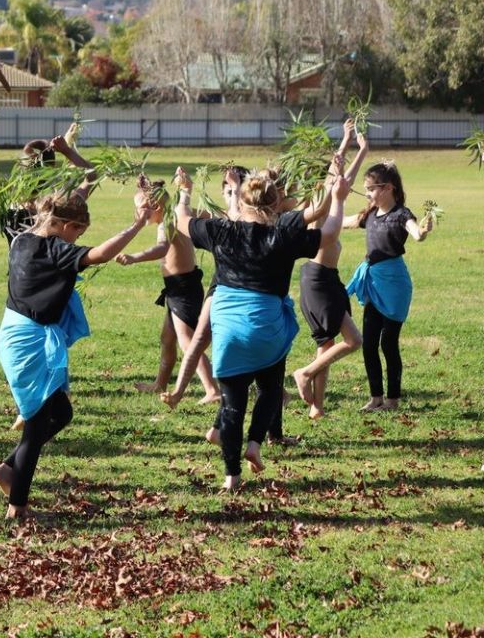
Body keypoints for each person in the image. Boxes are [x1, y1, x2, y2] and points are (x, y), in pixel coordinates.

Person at [175, 166, 348, 491]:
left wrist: (184, 190)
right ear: (275, 204)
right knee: (270, 389)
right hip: (267, 325)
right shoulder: (281, 234)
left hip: (229, 326)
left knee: (232, 403)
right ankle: (255, 442)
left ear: (241, 201)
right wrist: (337, 197)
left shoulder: (220, 231)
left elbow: (181, 218)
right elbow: (331, 232)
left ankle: (232, 476)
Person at [0, 186, 150, 519]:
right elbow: (101, 255)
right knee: (36, 426)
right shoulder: (54, 250)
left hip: (16, 334)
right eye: (77, 232)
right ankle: (17, 507)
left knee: (61, 413)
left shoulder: (21, 238)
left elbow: (66, 198)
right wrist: (137, 225)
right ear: (63, 224)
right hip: (29, 343)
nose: (77, 240)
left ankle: (7, 470)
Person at [117, 177, 220, 405]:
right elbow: (200, 213)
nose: (138, 213)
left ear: (155, 206)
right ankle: (160, 384)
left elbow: (162, 248)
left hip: (183, 288)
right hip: (178, 288)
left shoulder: (168, 222)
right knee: (168, 338)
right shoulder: (176, 215)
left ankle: (213, 389)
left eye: (140, 208)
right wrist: (144, 186)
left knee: (187, 341)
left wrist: (135, 257)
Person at [292, 121, 369, 417]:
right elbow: (334, 182)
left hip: (325, 281)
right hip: (319, 283)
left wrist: (359, 148)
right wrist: (345, 144)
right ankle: (305, 373)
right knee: (355, 341)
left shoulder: (329, 211)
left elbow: (342, 183)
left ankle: (317, 408)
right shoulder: (319, 214)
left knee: (327, 346)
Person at [345, 160, 432, 412]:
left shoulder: (401, 214)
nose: (368, 193)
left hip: (394, 286)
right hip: (373, 283)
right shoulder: (370, 214)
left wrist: (424, 230)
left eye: (371, 188)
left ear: (388, 188)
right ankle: (375, 398)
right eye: (366, 189)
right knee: (369, 343)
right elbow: (344, 221)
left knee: (388, 343)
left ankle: (392, 399)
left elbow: (416, 233)